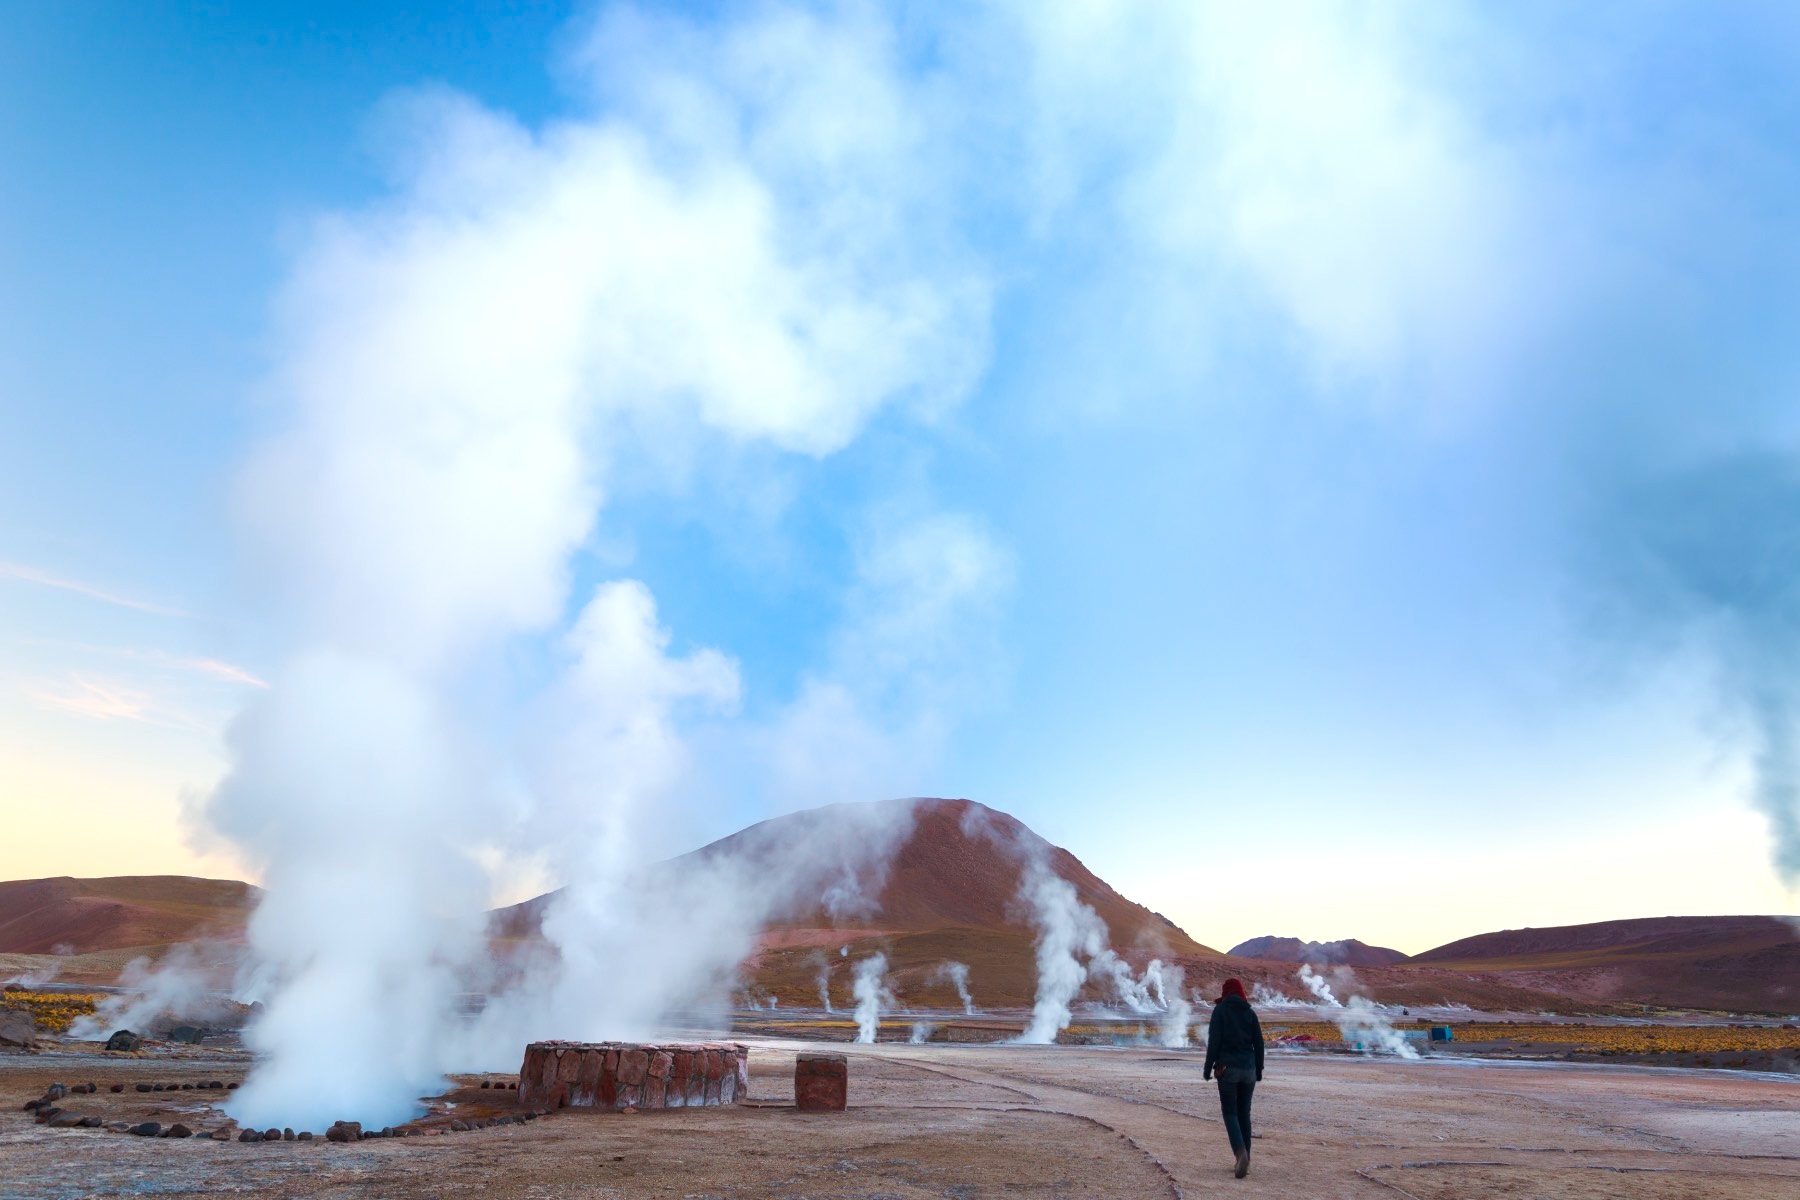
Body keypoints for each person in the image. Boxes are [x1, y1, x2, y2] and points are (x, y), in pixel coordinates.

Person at [1203, 977, 1264, 1178]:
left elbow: (1214, 1042)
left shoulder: (1220, 1011)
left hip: (1227, 1068)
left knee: (1230, 1113)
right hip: (1249, 1070)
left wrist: (1207, 1068)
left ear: (1226, 993)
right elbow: (1259, 1043)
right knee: (1244, 1113)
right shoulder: (1249, 1013)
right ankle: (1246, 1157)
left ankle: (1240, 1154)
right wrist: (1259, 1069)